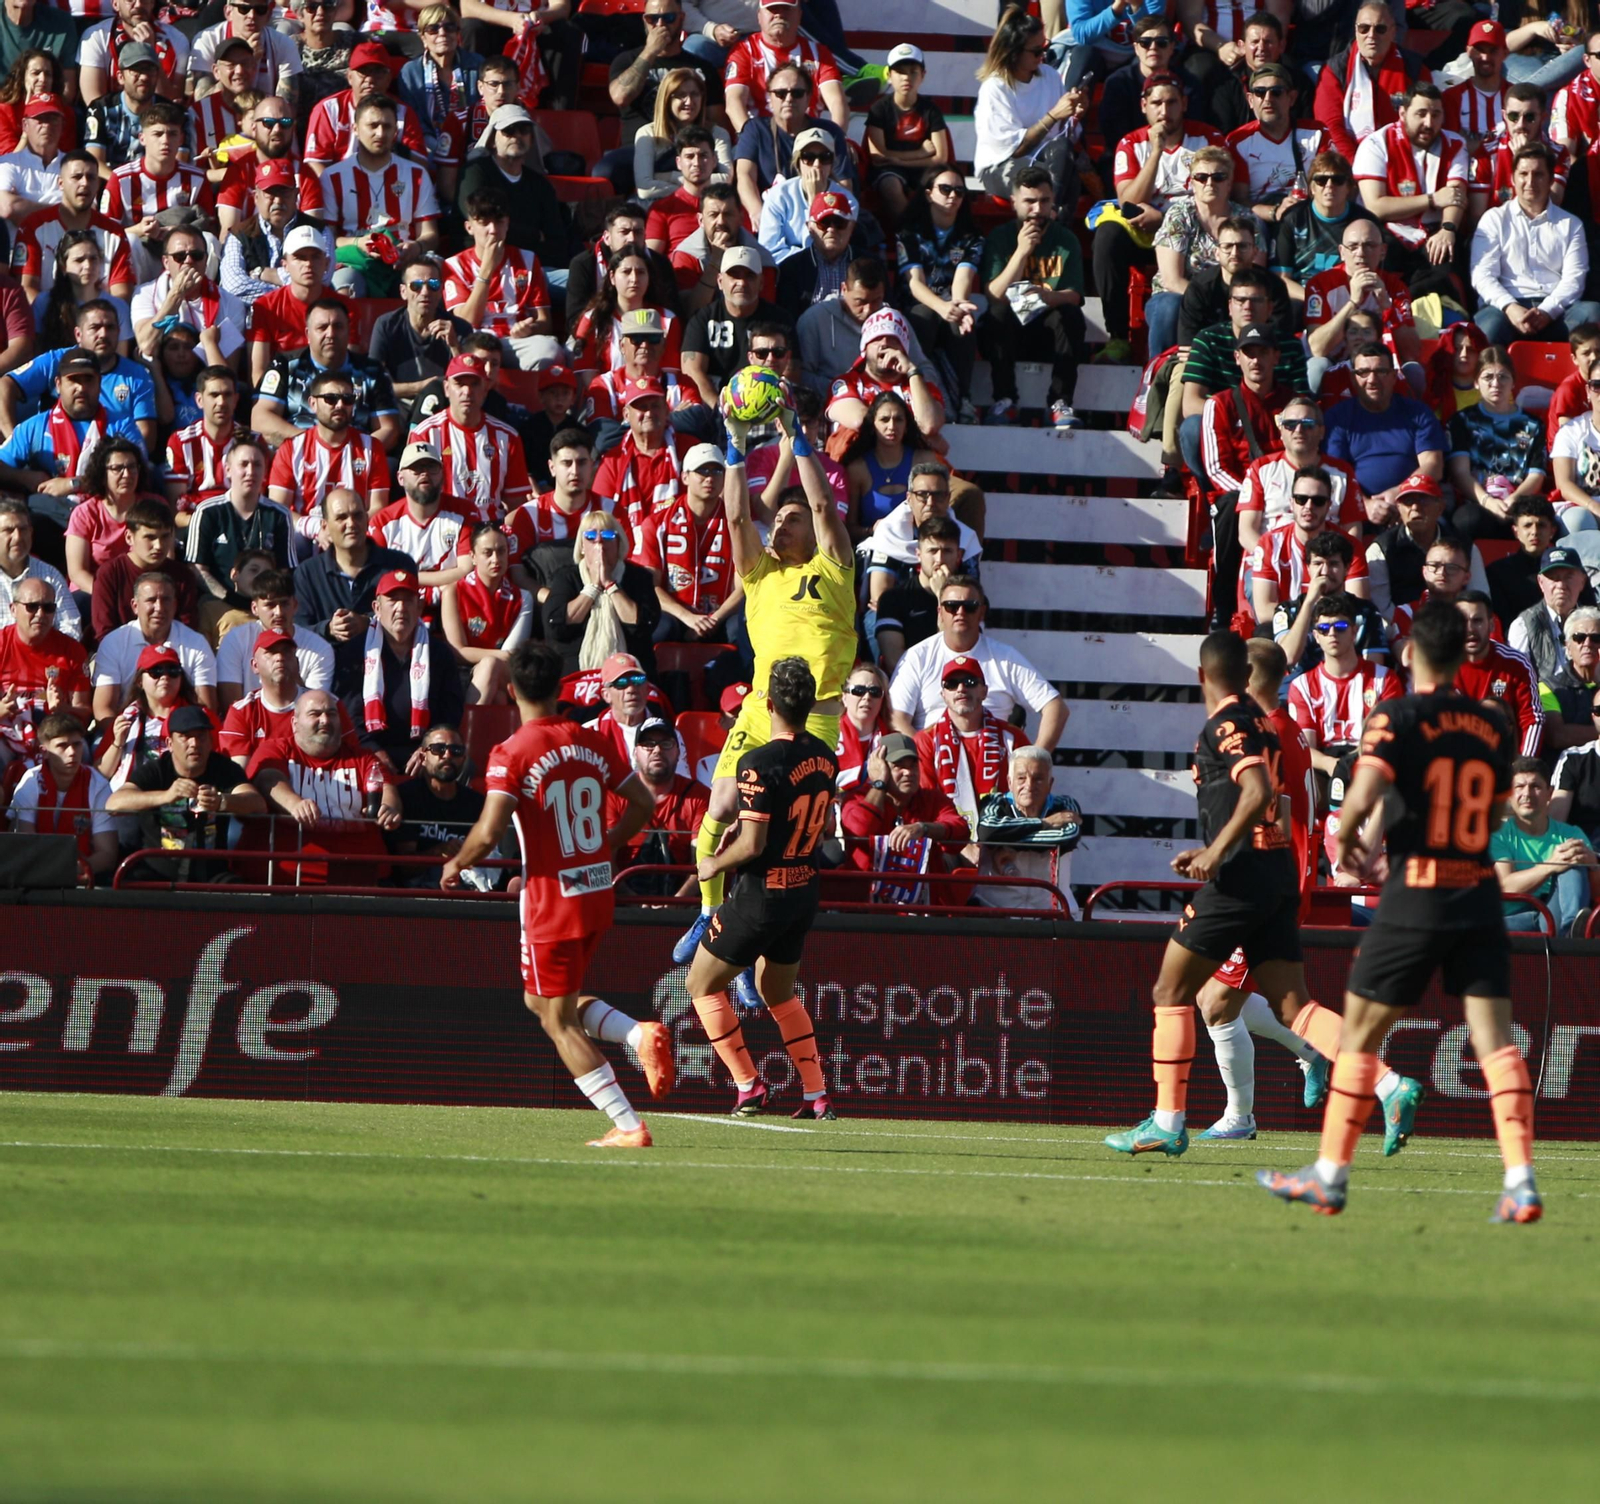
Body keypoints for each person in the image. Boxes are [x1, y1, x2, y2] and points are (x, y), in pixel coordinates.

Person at [1259, 602, 1540, 1222]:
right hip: (1478, 895)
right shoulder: (1494, 725)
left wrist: (1352, 840)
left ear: (1411, 653)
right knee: (1495, 1041)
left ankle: (1330, 1175)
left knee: (1359, 1034)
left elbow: (1363, 790)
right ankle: (1520, 1179)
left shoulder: (1397, 715)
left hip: (1417, 892)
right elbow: (1493, 815)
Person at [1105, 629, 1350, 1158]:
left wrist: (1220, 853)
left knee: (1211, 1001)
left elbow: (1270, 806)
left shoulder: (1252, 729)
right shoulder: (1281, 728)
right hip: (1282, 874)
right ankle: (1325, 1062)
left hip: (1257, 876)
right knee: (1237, 1001)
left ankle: (1233, 1112)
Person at [441, 639, 672, 1147]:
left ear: (510, 689)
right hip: (596, 891)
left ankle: (629, 1125)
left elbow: (487, 831)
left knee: (556, 1019)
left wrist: (458, 863)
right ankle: (637, 1035)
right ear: (558, 686)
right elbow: (641, 803)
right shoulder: (591, 741)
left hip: (551, 900)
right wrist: (605, 845)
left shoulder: (513, 751)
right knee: (541, 1000)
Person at [672, 391, 856, 968]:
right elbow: (733, 515)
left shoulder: (833, 568)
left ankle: (756, 954)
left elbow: (825, 508)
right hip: (759, 708)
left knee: (784, 837)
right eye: (776, 517)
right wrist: (735, 446)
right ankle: (708, 912)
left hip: (818, 717)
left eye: (790, 519)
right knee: (721, 805)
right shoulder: (758, 574)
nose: (780, 524)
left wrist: (795, 436)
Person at [684, 653, 839, 1115]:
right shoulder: (826, 758)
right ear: (810, 704)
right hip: (802, 889)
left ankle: (748, 1085)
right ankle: (815, 1094)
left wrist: (712, 863)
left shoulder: (759, 761)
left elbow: (751, 845)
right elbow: (819, 828)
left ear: (767, 702)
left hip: (762, 895)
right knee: (779, 993)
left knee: (700, 985)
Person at [1094, 72, 1227, 361]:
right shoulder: (1131, 143)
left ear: (1184, 103)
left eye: (1171, 103)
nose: (1164, 111)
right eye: (1156, 103)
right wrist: (1156, 151)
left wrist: (1166, 218)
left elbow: (1221, 191)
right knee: (1107, 235)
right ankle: (1117, 336)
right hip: (1145, 230)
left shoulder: (1208, 138)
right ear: (1144, 105)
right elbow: (1128, 200)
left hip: (1196, 228)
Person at [887, 575, 1066, 748]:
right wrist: (925, 758)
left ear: (982, 612)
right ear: (940, 613)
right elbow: (896, 718)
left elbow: (1055, 707)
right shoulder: (918, 657)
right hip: (932, 767)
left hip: (995, 765)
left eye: (970, 606)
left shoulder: (1005, 657)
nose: (960, 612)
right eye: (951, 606)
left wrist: (1035, 759)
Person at [248, 687, 401, 887]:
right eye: (315, 714)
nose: (325, 720)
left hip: (358, 877)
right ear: (294, 723)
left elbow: (387, 790)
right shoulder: (276, 749)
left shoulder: (363, 758)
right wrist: (295, 804)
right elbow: (268, 780)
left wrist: (389, 809)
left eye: (331, 714)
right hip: (288, 878)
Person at [106, 702, 263, 882]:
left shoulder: (225, 768)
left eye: (201, 736)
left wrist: (222, 801)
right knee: (128, 882)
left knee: (237, 889)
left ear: (211, 741)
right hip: (156, 872)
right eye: (185, 737)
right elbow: (114, 803)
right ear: (170, 743)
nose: (194, 744)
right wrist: (166, 796)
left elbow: (257, 803)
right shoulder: (156, 770)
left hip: (211, 873)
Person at [979, 164, 1083, 430]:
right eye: (1030, 201)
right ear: (1014, 202)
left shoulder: (1066, 239)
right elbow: (994, 295)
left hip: (1047, 331)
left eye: (1044, 201)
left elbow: (1074, 295)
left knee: (1069, 316)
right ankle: (1004, 399)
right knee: (996, 314)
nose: (1037, 209)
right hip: (1009, 331)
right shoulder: (1000, 237)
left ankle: (1060, 402)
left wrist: (1045, 296)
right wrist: (1021, 252)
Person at [1353, 82, 1481, 297]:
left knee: (1449, 260)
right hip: (1390, 231)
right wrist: (1431, 199)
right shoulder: (1376, 144)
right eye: (1421, 114)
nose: (1429, 123)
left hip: (1434, 231)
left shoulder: (1455, 144)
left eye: (1436, 114)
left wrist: (1448, 229)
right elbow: (1376, 206)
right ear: (1403, 113)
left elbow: (1455, 196)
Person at [333, 566, 462, 775]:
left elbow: (450, 711)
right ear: (376, 607)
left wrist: (428, 748)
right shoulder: (355, 652)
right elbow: (348, 714)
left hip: (426, 754)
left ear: (420, 607)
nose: (401, 608)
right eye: (393, 600)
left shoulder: (439, 653)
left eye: (408, 600)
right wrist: (372, 751)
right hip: (368, 751)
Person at [1470, 145, 1596, 346]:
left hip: (1556, 311)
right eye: (1523, 174)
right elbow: (1482, 276)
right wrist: (1510, 307)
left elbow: (1575, 280)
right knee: (1489, 328)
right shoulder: (1493, 219)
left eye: (1538, 174)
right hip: (1506, 309)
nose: (1530, 182)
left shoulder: (1571, 224)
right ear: (1512, 178)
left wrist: (1547, 311)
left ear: (1551, 180)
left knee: (1592, 314)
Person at [320, 94, 440, 292]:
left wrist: (415, 248)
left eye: (387, 126)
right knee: (345, 283)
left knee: (430, 278)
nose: (380, 133)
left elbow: (430, 234)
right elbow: (329, 239)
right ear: (356, 129)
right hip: (356, 260)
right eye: (373, 125)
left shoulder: (416, 174)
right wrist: (358, 243)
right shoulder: (333, 177)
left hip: (405, 259)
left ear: (395, 131)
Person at [1287, 590, 1405, 790]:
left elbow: (1388, 739)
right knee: (1303, 780)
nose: (1332, 633)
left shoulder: (1384, 679)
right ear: (1316, 636)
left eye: (1340, 626)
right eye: (1324, 628)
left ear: (1354, 631)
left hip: (1369, 761)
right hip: (1324, 765)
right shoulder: (1302, 686)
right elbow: (1306, 748)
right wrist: (1331, 765)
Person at [251, 297, 403, 452]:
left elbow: (389, 429)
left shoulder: (372, 370)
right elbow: (260, 420)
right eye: (322, 327)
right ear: (308, 334)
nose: (331, 333)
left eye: (338, 326)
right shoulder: (285, 365)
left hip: (356, 459)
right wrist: (314, 446)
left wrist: (351, 454)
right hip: (299, 455)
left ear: (348, 331)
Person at [610, 3, 725, 198]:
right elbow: (620, 96)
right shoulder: (627, 60)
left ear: (681, 19)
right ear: (644, 21)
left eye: (669, 18)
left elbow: (717, 119)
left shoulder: (701, 67)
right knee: (606, 170)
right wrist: (650, 52)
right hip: (641, 146)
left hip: (689, 147)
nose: (660, 24)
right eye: (652, 19)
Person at [635, 440, 743, 647]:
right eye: (702, 471)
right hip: (676, 613)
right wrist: (688, 617)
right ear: (685, 477)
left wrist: (713, 620)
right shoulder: (657, 523)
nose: (709, 477)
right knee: (659, 628)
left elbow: (743, 586)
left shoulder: (737, 524)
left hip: (720, 614)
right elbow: (651, 586)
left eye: (716, 471)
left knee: (740, 629)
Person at [912, 652, 1030, 838]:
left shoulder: (1013, 737)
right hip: (946, 844)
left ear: (984, 691)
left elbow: (1029, 797)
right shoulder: (925, 741)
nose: (961, 689)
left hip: (1004, 841)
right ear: (943, 695)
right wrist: (962, 846)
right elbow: (926, 804)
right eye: (952, 684)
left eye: (970, 682)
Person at [895, 166, 983, 417]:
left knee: (963, 323)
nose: (953, 196)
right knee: (924, 316)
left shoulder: (971, 237)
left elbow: (962, 278)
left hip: (949, 302)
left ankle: (962, 400)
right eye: (945, 189)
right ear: (928, 194)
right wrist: (943, 307)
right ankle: (916, 396)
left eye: (959, 191)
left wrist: (958, 306)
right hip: (913, 304)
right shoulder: (909, 233)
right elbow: (914, 284)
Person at [407, 351, 531, 526]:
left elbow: (516, 503)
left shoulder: (508, 437)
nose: (467, 391)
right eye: (459, 384)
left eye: (474, 384)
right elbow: (416, 501)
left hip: (490, 530)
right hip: (442, 527)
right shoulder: (425, 435)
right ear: (446, 388)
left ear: (485, 388)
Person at [1325, 344, 1447, 522]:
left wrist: (1401, 493)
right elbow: (1336, 474)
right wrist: (1364, 504)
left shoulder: (1418, 413)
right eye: (1363, 372)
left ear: (1393, 376)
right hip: (1356, 510)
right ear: (1353, 378)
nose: (1372, 379)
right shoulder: (1337, 418)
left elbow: (1434, 466)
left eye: (1381, 371)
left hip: (1415, 504)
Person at [265, 369, 392, 538]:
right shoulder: (291, 449)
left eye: (347, 399)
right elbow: (279, 508)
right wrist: (316, 529)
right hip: (307, 535)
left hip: (356, 532)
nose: (340, 405)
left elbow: (378, 507)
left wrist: (345, 530)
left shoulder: (371, 447)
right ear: (312, 403)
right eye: (330, 399)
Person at [443, 186, 558, 372]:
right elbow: (465, 323)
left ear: (507, 224)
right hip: (476, 343)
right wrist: (487, 270)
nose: (493, 230)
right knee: (470, 358)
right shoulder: (453, 265)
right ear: (469, 227)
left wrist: (530, 329)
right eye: (484, 223)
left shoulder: (528, 260)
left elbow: (545, 322)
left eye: (499, 222)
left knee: (551, 351)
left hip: (516, 342)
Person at [1304, 218, 1424, 395]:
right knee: (1316, 367)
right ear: (1342, 252)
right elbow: (1318, 348)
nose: (1361, 253)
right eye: (1353, 246)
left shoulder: (1395, 287)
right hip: (1334, 364)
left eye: (1369, 245)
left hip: (1378, 366)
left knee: (1414, 371)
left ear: (1382, 251)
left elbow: (1411, 353)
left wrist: (1386, 305)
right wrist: (1353, 303)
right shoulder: (1321, 284)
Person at [1236, 396, 1366, 559]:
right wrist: (1273, 560)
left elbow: (1353, 531)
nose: (1298, 430)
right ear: (1281, 431)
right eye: (1290, 424)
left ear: (1321, 431)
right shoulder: (1260, 469)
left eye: (1308, 424)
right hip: (1270, 562)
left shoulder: (1342, 472)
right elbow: (1246, 532)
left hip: (1324, 565)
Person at [974, 6, 1082, 200]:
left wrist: (1074, 114)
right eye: (1036, 51)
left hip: (1047, 161)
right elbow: (1014, 150)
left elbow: (1062, 136)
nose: (1043, 55)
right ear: (1013, 52)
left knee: (1063, 155)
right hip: (1000, 165)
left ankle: (1051, 218)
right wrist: (1053, 116)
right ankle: (1052, 218)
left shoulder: (1050, 76)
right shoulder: (995, 88)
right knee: (1050, 182)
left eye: (1045, 47)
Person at [541, 508, 660, 678]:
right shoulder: (565, 577)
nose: (599, 542)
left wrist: (610, 585)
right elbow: (555, 624)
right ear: (582, 546)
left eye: (608, 536)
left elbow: (644, 624)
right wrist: (592, 588)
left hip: (630, 677)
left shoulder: (638, 577)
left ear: (619, 543)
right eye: (590, 536)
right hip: (575, 677)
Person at [1445, 347, 1549, 541]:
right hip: (1478, 502)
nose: (1496, 384)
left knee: (1542, 522)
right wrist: (1488, 502)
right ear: (1476, 382)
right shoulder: (1461, 421)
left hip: (1519, 502)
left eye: (1503, 377)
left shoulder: (1533, 424)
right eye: (1488, 377)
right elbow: (1460, 473)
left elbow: (1536, 475)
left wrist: (1513, 500)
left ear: (1513, 382)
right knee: (1467, 520)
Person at [293, 488, 418, 646]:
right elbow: (298, 630)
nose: (351, 524)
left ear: (367, 519)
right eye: (341, 518)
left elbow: (410, 618)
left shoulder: (399, 565)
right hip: (330, 666)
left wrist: (368, 623)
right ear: (324, 526)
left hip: (386, 663)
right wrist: (328, 629)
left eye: (357, 515)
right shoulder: (307, 574)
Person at [730, 60, 848, 227]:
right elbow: (744, 175)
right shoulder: (754, 129)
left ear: (809, 98)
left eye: (797, 93)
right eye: (780, 93)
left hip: (822, 218)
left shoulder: (830, 132)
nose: (789, 99)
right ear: (769, 97)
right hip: (768, 218)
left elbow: (844, 183)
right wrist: (758, 213)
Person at [1248, 464, 1369, 624]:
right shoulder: (1269, 543)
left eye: (1318, 501)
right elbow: (1264, 612)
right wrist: (1309, 616)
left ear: (1328, 505)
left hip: (1337, 631)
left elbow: (1357, 606)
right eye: (1301, 499)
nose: (1308, 506)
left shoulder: (1349, 546)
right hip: (1287, 630)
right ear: (1291, 503)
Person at [1492, 755, 1598, 935]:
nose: (1527, 794)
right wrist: (1551, 865)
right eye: (1519, 787)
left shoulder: (1571, 834)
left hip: (1555, 917)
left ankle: (1572, 930)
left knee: (1573, 860)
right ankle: (1570, 936)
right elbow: (1506, 886)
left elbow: (1596, 891)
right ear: (1510, 795)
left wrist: (1593, 864)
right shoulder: (1499, 835)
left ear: (1550, 793)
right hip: (1510, 920)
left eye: (1535, 786)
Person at [6, 711, 117, 883]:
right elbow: (25, 844)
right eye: (62, 746)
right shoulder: (30, 782)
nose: (72, 752)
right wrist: (54, 874)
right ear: (44, 752)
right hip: (35, 877)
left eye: (77, 744)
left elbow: (107, 853)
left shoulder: (99, 785)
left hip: (81, 876)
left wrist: (71, 872)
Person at [1313, 2, 1429, 166]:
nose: (1371, 35)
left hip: (1403, 161)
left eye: (1380, 29)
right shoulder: (1334, 70)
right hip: (1348, 167)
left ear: (1393, 31)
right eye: (1364, 28)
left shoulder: (1415, 68)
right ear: (1355, 30)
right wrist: (1358, 167)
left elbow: (1426, 120)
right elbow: (1331, 127)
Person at [91, 574, 216, 721]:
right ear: (135, 606)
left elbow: (206, 707)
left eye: (166, 600)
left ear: (175, 605)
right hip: (125, 731)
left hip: (182, 732)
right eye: (151, 600)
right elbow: (104, 710)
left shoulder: (196, 644)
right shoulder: (113, 643)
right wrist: (126, 739)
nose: (159, 608)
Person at [13, 153, 133, 306]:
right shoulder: (33, 226)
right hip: (50, 322)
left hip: (98, 324)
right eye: (77, 177)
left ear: (98, 184)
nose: (84, 183)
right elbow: (26, 287)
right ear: (61, 183)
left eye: (91, 177)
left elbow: (122, 294)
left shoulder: (115, 233)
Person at [366, 440, 473, 609]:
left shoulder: (465, 512)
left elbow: (467, 570)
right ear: (400, 478)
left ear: (443, 474)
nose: (425, 473)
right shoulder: (382, 522)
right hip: (401, 607)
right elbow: (378, 577)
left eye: (431, 467)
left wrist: (406, 575)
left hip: (455, 604)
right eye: (416, 468)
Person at [1270, 148, 1379, 305]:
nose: (1329, 186)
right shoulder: (1293, 219)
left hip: (1350, 296)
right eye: (1321, 180)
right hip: (1303, 297)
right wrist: (1316, 299)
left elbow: (1373, 274)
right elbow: (1281, 279)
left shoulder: (1365, 223)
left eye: (1338, 180)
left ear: (1349, 187)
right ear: (1312, 188)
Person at [722, 0, 846, 138]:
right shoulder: (743, 51)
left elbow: (837, 101)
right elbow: (734, 103)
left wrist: (835, 140)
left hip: (808, 142)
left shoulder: (818, 53)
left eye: (786, 9)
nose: (779, 15)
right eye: (772, 9)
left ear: (799, 15)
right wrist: (753, 140)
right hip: (761, 138)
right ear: (759, 16)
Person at [440, 522, 533, 705]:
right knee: (497, 695)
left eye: (501, 551)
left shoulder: (522, 597)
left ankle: (469, 730)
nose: (495, 559)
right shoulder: (453, 592)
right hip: (460, 671)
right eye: (487, 553)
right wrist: (499, 657)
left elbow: (510, 655)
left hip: (503, 669)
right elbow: (457, 652)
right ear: (473, 557)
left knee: (491, 666)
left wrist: (498, 658)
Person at [130, 224, 244, 373]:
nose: (189, 261)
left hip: (206, 384)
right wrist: (176, 294)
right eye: (180, 256)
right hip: (158, 381)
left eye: (196, 255)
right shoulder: (144, 294)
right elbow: (146, 346)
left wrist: (210, 344)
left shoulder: (231, 303)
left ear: (206, 260)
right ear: (166, 262)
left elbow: (228, 376)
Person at [242, 226, 349, 384]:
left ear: (327, 263)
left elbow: (352, 364)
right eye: (300, 257)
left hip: (333, 392)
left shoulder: (345, 307)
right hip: (282, 393)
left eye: (315, 257)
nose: (308, 264)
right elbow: (258, 373)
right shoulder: (265, 307)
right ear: (284, 265)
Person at [89, 493, 202, 642]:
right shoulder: (109, 574)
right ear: (129, 537)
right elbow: (104, 632)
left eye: (165, 537)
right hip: (118, 655)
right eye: (150, 537)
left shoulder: (183, 576)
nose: (159, 546)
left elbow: (187, 631)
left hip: (170, 656)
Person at [303, 42, 428, 174]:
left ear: (389, 78)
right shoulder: (328, 109)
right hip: (339, 186)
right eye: (363, 72)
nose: (370, 79)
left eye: (378, 72)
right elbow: (315, 164)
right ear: (350, 77)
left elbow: (419, 165)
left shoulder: (403, 112)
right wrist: (335, 191)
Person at [679, 247, 782, 406]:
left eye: (749, 276)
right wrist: (719, 409)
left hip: (764, 405)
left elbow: (789, 371)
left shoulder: (779, 320)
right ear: (720, 281)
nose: (741, 283)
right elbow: (691, 371)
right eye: (734, 275)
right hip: (712, 407)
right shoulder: (702, 319)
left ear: (761, 283)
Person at [389, 722, 486, 888]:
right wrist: (439, 851)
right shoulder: (407, 796)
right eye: (438, 749)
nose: (447, 755)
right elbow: (405, 868)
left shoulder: (477, 803)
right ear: (422, 758)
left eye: (456, 751)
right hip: (417, 888)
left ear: (463, 758)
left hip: (467, 883)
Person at [218, 566, 335, 704]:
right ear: (254, 608)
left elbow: (316, 705)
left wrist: (293, 675)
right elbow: (232, 705)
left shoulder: (320, 648)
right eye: (270, 605)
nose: (279, 612)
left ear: (295, 605)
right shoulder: (235, 640)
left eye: (284, 603)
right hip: (249, 722)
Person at [370, 251, 471, 409]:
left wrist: (454, 345)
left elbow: (469, 384)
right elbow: (374, 383)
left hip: (443, 406)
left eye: (433, 285)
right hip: (398, 406)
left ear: (441, 291)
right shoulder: (386, 325)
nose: (425, 292)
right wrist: (423, 387)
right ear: (403, 291)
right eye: (416, 286)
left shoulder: (459, 328)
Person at [863, 44, 950, 219]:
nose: (906, 78)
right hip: (891, 172)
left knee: (946, 186)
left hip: (922, 170)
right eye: (900, 72)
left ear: (923, 75)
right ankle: (910, 234)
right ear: (889, 75)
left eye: (913, 71)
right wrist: (921, 153)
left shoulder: (930, 110)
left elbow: (941, 157)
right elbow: (878, 157)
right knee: (890, 185)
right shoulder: (879, 109)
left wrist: (896, 159)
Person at [504, 425, 598, 583]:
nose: (575, 471)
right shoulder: (529, 515)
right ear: (552, 468)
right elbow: (518, 576)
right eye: (567, 463)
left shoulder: (610, 511)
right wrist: (553, 602)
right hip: (545, 603)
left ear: (591, 465)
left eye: (581, 462)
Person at [0, 574, 90, 731]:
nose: (40, 614)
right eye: (32, 606)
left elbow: (84, 713)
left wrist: (62, 710)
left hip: (54, 732)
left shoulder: (72, 651)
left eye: (48, 608)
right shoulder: (2, 644)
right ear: (13, 609)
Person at [873, 515, 961, 673]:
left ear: (958, 556)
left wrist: (944, 597)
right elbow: (896, 664)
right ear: (918, 554)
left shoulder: (969, 598)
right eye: (932, 551)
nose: (939, 559)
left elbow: (962, 653)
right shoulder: (893, 599)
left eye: (947, 551)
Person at [164, 365, 243, 517]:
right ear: (199, 400)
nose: (221, 402)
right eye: (214, 395)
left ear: (236, 400)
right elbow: (176, 512)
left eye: (227, 395)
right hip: (195, 523)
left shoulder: (252, 442)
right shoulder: (180, 442)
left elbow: (256, 499)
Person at [1509, 544, 1589, 685]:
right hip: (1544, 703)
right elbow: (1518, 681)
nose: (1561, 585)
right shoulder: (1523, 625)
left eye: (1568, 577)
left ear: (1582, 581)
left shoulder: (1594, 623)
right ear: (1541, 582)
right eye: (1553, 578)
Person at [0, 498, 76, 639]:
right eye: (8, 530)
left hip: (46, 658)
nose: (17, 537)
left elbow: (71, 628)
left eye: (23, 530)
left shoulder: (50, 575)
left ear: (31, 532)